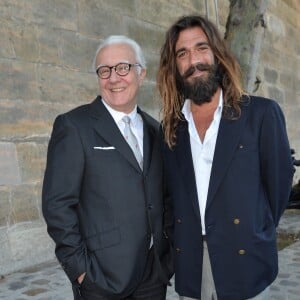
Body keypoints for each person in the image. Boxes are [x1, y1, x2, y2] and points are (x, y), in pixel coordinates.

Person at [157, 15, 294, 300]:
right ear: (175, 67)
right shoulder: (171, 129)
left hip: (246, 258)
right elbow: (170, 199)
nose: (194, 60)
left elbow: (278, 189)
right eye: (182, 53)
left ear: (217, 53)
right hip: (192, 260)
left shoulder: (261, 114)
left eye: (201, 48)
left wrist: (256, 230)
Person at [42, 35, 173, 300]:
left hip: (153, 275)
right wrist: (81, 272)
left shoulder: (155, 130)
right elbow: (57, 205)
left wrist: (166, 254)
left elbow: (164, 195)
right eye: (105, 70)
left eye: (122, 67)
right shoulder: (74, 126)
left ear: (141, 73)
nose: (114, 78)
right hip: (102, 280)